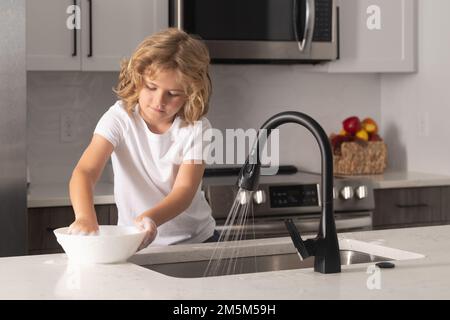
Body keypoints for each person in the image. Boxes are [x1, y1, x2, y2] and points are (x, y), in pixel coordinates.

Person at [68, 28, 218, 249]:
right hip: (134, 241)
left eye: (173, 93)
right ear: (138, 79)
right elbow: (85, 172)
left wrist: (151, 218)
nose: (159, 101)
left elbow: (184, 191)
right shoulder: (120, 118)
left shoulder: (196, 128)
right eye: (151, 87)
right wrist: (84, 217)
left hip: (195, 241)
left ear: (191, 93)